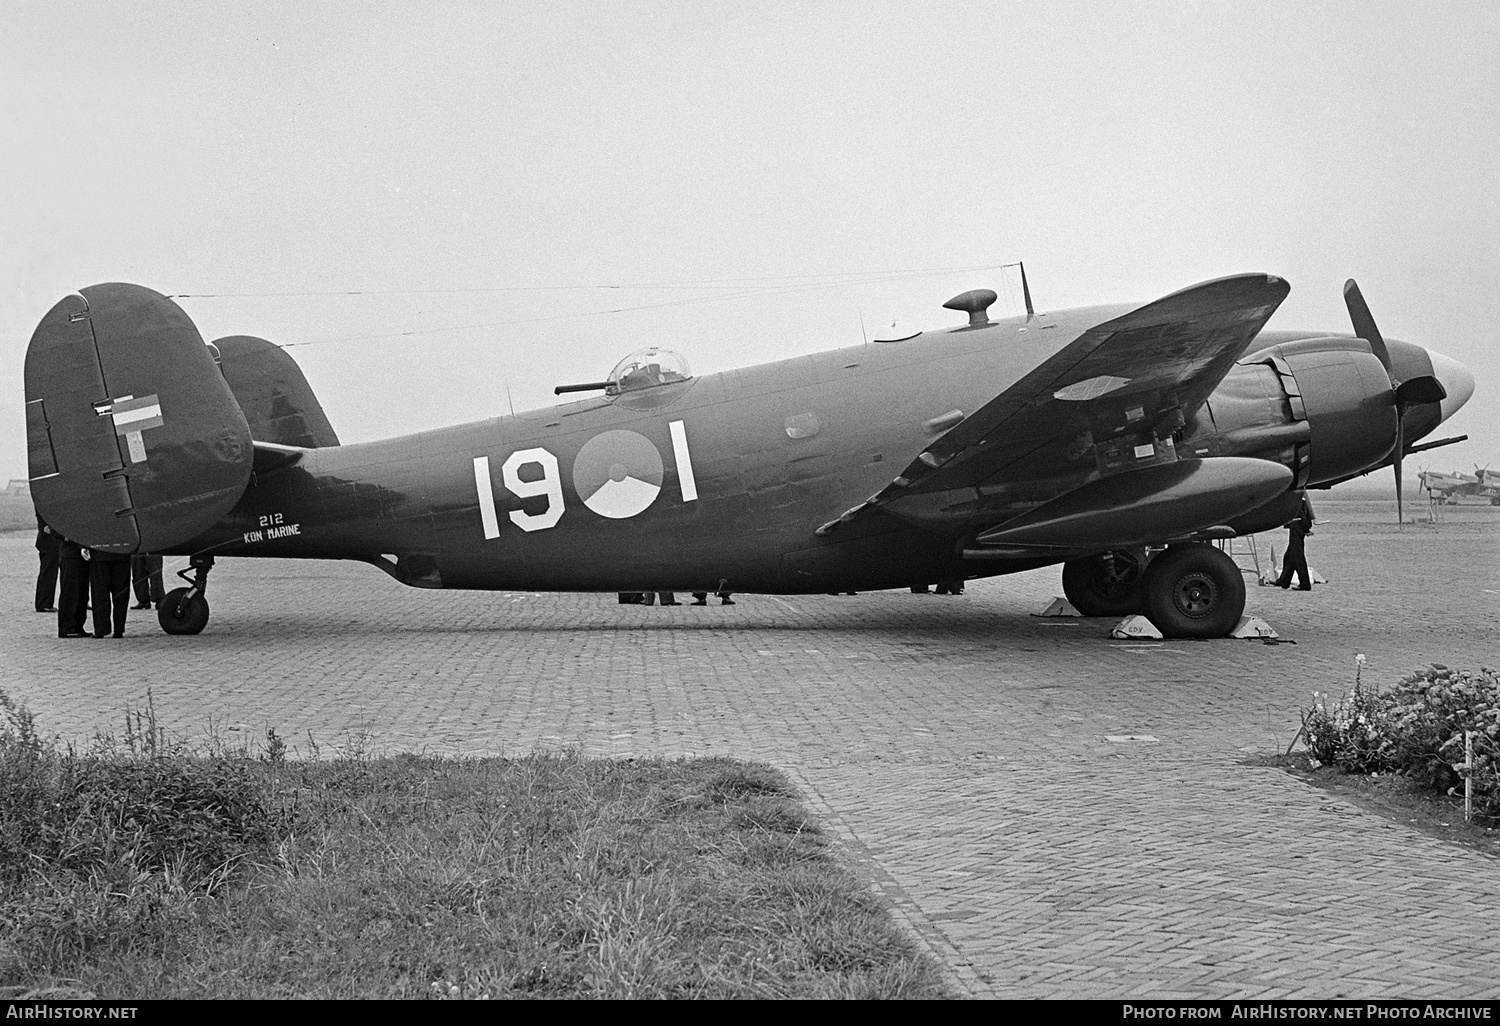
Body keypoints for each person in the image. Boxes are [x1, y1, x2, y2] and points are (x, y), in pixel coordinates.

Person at [88, 547, 133, 638]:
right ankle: (119, 629)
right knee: (121, 594)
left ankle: (101, 629)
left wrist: (85, 546)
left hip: (99, 551)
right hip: (122, 551)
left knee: (99, 592)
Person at [1276, 495, 1315, 591]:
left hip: (1296, 529)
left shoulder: (1296, 503)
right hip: (1297, 528)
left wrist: (1305, 529)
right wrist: (1306, 528)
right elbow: (1306, 518)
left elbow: (1301, 518)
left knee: (1297, 557)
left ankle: (1305, 584)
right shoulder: (1302, 502)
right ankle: (1284, 581)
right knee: (1289, 556)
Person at [56, 538, 90, 638]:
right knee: (70, 591)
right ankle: (67, 627)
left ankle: (78, 625)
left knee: (82, 592)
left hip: (82, 554)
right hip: (69, 554)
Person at [34, 516, 60, 612]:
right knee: (49, 572)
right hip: (50, 540)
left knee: (48, 571)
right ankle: (44, 603)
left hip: (48, 540)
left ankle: (44, 602)